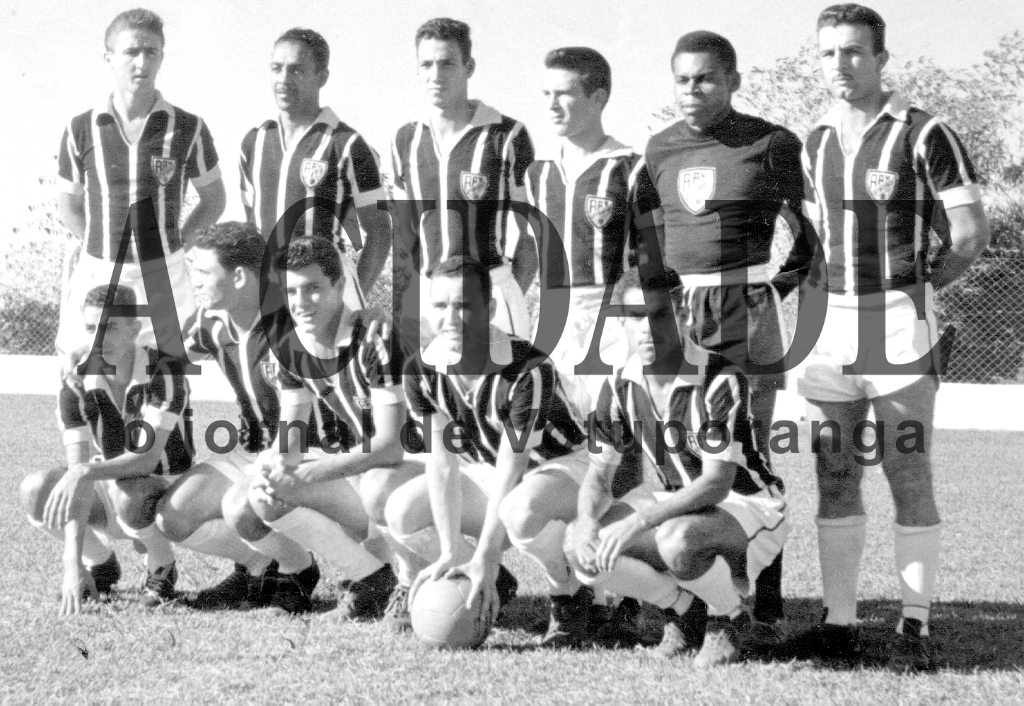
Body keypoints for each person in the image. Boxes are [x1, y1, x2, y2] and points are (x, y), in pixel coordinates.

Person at [793, 4, 990, 670]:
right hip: (827, 323)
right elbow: (806, 237)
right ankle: (839, 623)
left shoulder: (924, 131)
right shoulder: (812, 137)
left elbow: (968, 234)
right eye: (828, 54)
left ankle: (915, 625)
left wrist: (919, 290)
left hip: (897, 318)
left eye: (853, 52)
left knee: (907, 468)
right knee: (834, 470)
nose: (840, 65)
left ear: (881, 58)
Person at [631, 29, 812, 634]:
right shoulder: (658, 148)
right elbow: (648, 239)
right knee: (678, 448)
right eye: (682, 78)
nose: (692, 89)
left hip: (746, 308)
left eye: (705, 77)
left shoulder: (770, 142)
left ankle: (767, 601)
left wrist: (772, 290)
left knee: (750, 450)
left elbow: (811, 238)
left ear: (733, 80)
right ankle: (694, 596)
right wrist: (658, 302)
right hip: (681, 314)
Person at [564, 267, 788, 666]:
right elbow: (598, 474)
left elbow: (717, 484)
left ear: (683, 313)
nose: (647, 328)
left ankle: (729, 619)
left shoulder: (720, 376)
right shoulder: (618, 385)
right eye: (635, 317)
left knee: (675, 540)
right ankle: (684, 612)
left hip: (750, 507)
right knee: (581, 548)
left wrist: (638, 521)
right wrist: (584, 520)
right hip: (680, 505)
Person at [384, 256, 594, 647]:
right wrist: (449, 551)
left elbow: (513, 468)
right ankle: (475, 573)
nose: (450, 318)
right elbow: (442, 466)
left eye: (463, 305)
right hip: (489, 467)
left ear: (490, 309)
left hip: (565, 466)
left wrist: (488, 554)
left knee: (521, 509)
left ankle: (569, 593)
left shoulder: (526, 366)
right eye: (440, 306)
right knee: (402, 512)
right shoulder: (421, 370)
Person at [517, 45, 644, 644]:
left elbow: (651, 260)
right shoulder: (537, 173)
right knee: (553, 454)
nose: (554, 104)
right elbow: (525, 256)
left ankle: (623, 594)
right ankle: (571, 596)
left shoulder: (630, 167)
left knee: (613, 455)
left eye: (566, 92)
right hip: (553, 318)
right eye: (546, 93)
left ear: (598, 96)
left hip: (610, 318)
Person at [244, 237, 423, 621]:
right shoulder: (290, 347)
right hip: (371, 471)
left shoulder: (375, 334)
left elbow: (393, 445)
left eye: (313, 288)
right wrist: (273, 468)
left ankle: (436, 564)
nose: (301, 301)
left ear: (340, 287)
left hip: (423, 467)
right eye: (292, 291)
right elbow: (290, 439)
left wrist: (311, 472)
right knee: (265, 494)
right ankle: (370, 580)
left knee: (377, 485)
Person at [155, 222, 322, 614]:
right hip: (253, 448)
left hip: (310, 450)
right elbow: (162, 359)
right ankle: (258, 566)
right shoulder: (209, 322)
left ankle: (299, 569)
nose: (195, 282)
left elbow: (300, 420)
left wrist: (273, 466)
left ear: (242, 276)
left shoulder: (291, 323)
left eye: (204, 272)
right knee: (173, 516)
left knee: (240, 504)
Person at [55, 8, 225, 356]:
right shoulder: (80, 128)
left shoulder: (188, 128)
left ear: (162, 56)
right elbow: (68, 206)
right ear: (109, 57)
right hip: (99, 272)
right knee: (85, 374)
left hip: (163, 274)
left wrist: (177, 245)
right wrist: (102, 246)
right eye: (131, 51)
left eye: (152, 51)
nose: (142, 62)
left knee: (166, 377)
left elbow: (214, 200)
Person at [20, 285, 192, 612]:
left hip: (167, 486)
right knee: (36, 489)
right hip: (111, 480)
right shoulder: (76, 379)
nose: (98, 340)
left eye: (109, 327)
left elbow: (146, 459)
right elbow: (78, 469)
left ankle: (162, 566)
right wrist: (74, 561)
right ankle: (101, 564)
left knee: (127, 491)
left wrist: (83, 472)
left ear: (134, 329)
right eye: (90, 328)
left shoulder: (163, 369)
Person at [390, 18, 535, 353]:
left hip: (491, 291)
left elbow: (530, 238)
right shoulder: (405, 140)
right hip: (431, 300)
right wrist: (406, 310)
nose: (435, 75)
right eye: (426, 64)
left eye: (447, 64)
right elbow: (404, 239)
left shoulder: (506, 135)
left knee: (500, 401)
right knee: (433, 402)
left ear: (468, 67)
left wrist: (505, 296)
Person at [240, 28, 391, 307]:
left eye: (296, 70)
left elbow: (380, 231)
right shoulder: (254, 142)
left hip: (323, 291)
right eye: (277, 69)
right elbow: (252, 229)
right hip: (270, 292)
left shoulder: (347, 144)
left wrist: (351, 299)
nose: (283, 79)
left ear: (322, 77)